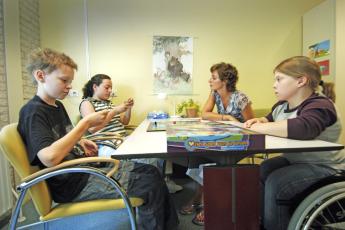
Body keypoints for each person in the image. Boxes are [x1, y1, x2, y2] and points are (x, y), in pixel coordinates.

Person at [18, 48, 178, 229]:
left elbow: (63, 137)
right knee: (150, 185)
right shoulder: (33, 112)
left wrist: (81, 141)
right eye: (64, 80)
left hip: (87, 169)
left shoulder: (57, 107)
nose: (69, 86)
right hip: (74, 183)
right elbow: (49, 158)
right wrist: (84, 125)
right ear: (40, 76)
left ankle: (168, 225)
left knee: (152, 171)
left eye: (70, 81)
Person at [244, 56, 344, 230]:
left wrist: (262, 127)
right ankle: (260, 221)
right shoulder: (282, 105)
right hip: (297, 160)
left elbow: (303, 128)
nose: (274, 84)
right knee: (263, 168)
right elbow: (270, 120)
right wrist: (261, 120)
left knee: (277, 181)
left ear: (301, 81)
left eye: (279, 79)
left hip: (327, 166)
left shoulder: (320, 105)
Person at [79, 74, 183, 193]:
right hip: (106, 143)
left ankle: (163, 180)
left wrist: (128, 109)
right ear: (95, 87)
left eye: (111, 88)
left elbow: (124, 121)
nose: (110, 90)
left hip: (122, 139)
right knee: (148, 157)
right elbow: (92, 128)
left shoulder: (109, 103)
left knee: (158, 147)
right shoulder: (86, 103)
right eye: (107, 87)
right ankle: (157, 184)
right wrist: (115, 111)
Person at [180, 62, 254, 226]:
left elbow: (252, 125)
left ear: (225, 80)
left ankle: (208, 202)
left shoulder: (240, 98)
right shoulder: (215, 93)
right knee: (197, 155)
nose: (209, 81)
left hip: (240, 144)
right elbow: (204, 114)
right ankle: (200, 197)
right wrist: (226, 118)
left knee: (211, 161)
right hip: (222, 141)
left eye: (213, 77)